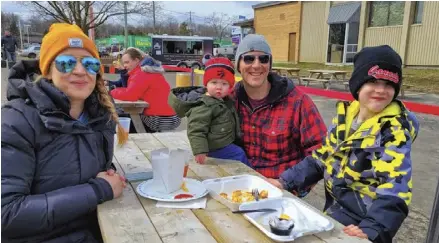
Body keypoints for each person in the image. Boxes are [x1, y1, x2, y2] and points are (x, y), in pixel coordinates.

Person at [267, 45, 420, 243]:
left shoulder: (393, 131)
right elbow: (321, 158)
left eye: (389, 84)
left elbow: (396, 189)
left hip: (365, 218)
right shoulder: (346, 117)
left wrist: (372, 229)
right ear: (358, 84)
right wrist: (285, 181)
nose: (381, 90)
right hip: (338, 207)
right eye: (372, 81)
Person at [1, 23, 128, 242]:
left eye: (89, 64)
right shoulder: (17, 121)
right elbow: (6, 216)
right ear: (47, 71)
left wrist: (108, 175)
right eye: (66, 63)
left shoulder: (100, 116)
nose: (80, 71)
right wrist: (98, 190)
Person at [232, 34, 327, 178]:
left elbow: (323, 151)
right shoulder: (229, 99)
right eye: (249, 58)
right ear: (238, 65)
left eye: (263, 59)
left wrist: (287, 182)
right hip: (238, 184)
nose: (256, 65)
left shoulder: (298, 102)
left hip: (282, 189)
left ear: (270, 65)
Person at [168, 57, 249, 165]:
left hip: (223, 142)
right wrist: (200, 151)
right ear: (206, 84)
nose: (219, 87)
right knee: (239, 154)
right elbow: (196, 129)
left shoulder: (224, 100)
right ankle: (252, 176)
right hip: (214, 148)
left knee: (240, 151)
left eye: (224, 84)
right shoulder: (204, 105)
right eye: (214, 82)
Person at [110, 48, 181, 132]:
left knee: (115, 122)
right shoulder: (152, 71)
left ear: (136, 60)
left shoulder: (141, 73)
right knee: (126, 117)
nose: (124, 65)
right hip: (173, 117)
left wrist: (111, 92)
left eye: (127, 62)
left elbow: (130, 95)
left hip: (157, 119)